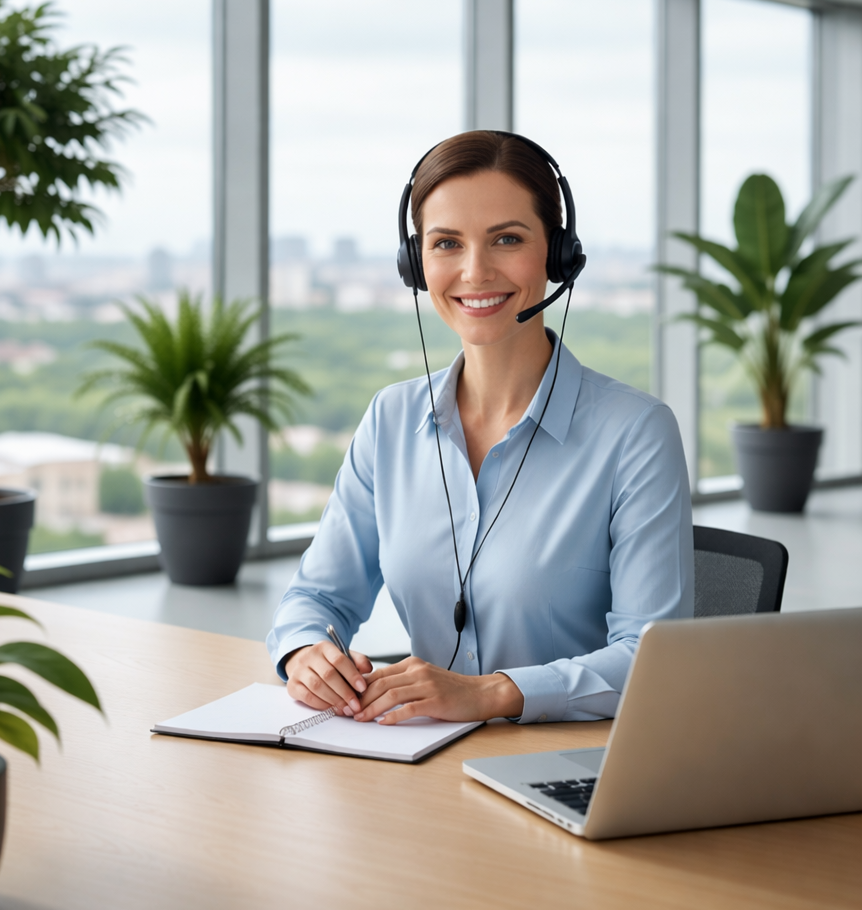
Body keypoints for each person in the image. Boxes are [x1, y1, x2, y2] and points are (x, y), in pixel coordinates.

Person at [266, 130, 693, 728]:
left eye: (508, 239)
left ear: (558, 253)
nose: (474, 271)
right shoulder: (390, 421)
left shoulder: (635, 435)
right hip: (422, 759)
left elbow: (652, 660)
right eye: (446, 243)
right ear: (417, 264)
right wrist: (305, 652)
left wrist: (490, 694)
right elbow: (316, 599)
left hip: (574, 770)